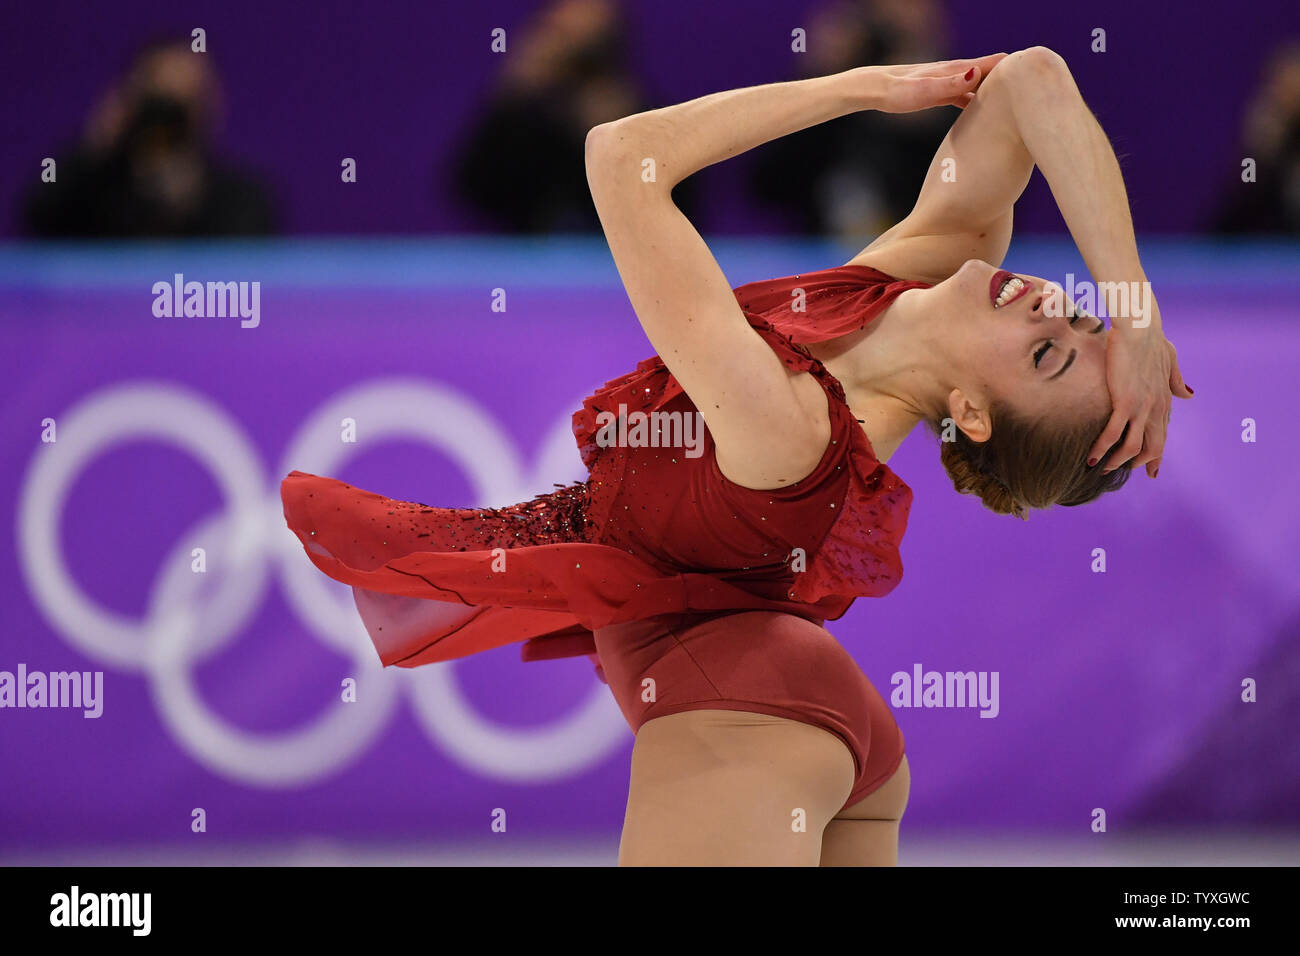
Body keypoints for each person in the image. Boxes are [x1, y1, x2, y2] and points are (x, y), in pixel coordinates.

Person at [281, 47, 1192, 866]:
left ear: (971, 416)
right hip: (790, 710)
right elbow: (1033, 78)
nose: (1052, 311)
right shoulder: (909, 276)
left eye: (1046, 358)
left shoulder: (792, 429)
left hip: (748, 708)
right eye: (1077, 319)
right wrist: (1136, 312)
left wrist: (858, 88)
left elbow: (621, 161)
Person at [23, 37, 276, 238]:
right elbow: (37, 219)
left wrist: (188, 203)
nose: (167, 120)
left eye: (184, 103)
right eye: (158, 101)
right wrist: (95, 144)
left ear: (211, 108)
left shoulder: (242, 198)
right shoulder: (92, 191)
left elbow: (246, 271)